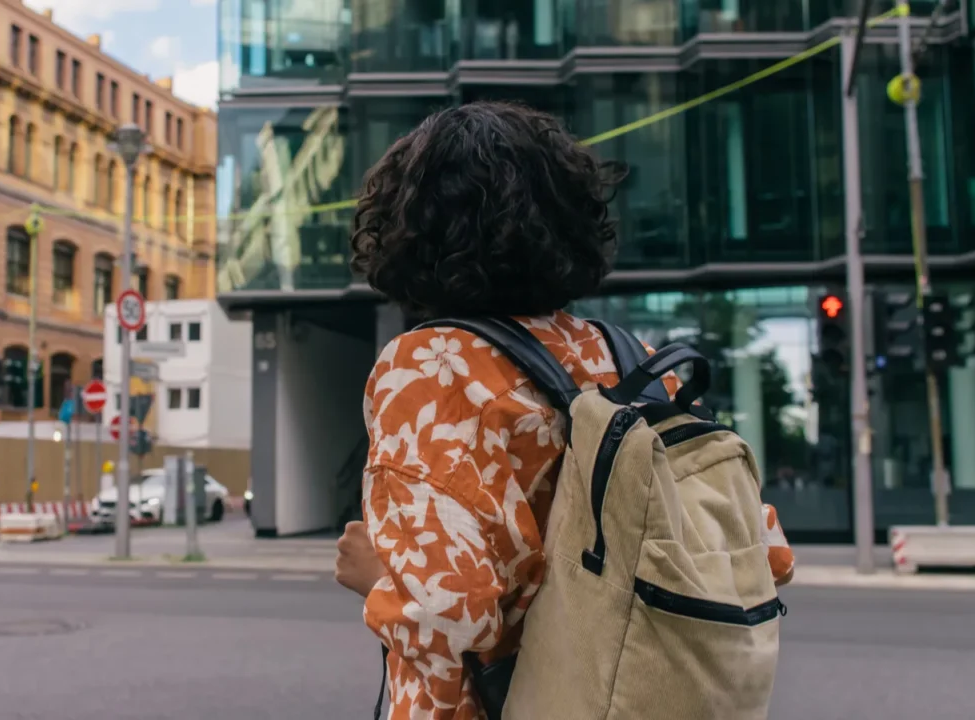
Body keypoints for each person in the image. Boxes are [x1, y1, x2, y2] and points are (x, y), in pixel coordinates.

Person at [333, 101, 795, 719]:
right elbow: (766, 555)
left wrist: (374, 579)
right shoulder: (633, 361)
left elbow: (447, 612)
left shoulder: (428, 366)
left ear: (408, 229)